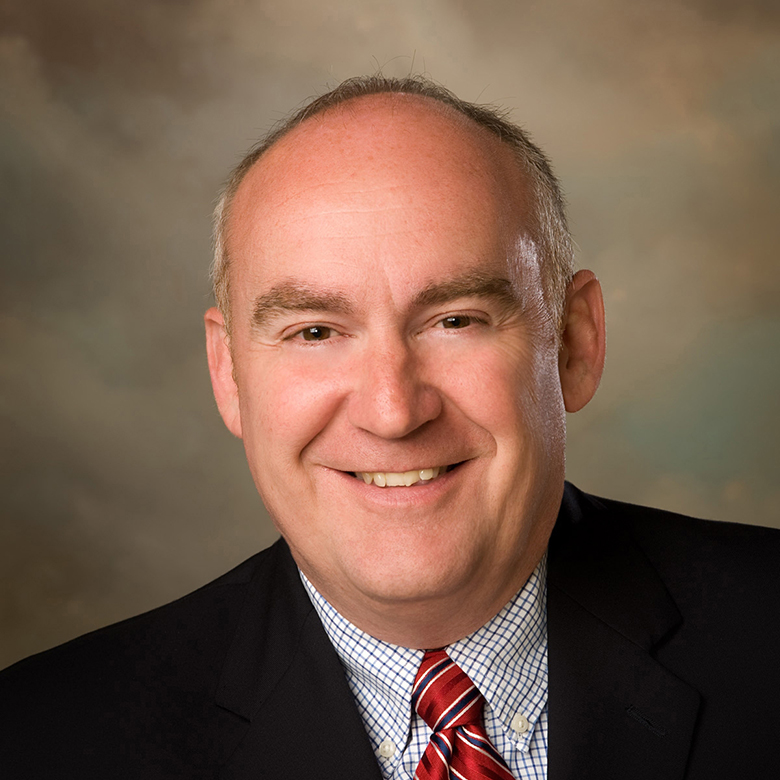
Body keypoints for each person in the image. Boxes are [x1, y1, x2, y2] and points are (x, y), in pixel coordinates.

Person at [1, 75, 778, 780]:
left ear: (575, 341)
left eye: (455, 319)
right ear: (230, 373)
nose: (393, 411)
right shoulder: (41, 742)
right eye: (314, 331)